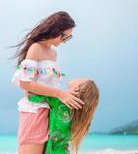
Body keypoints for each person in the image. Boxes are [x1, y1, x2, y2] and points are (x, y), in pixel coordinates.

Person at [9, 11, 84, 154]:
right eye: (64, 36)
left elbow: (50, 85)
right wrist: (59, 94)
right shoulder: (36, 48)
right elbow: (25, 84)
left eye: (68, 38)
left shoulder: (53, 52)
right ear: (54, 29)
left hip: (50, 110)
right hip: (35, 109)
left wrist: (65, 94)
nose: (64, 40)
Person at [29, 78, 100, 154]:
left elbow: (31, 96)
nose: (77, 77)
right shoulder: (76, 117)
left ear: (78, 88)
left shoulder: (60, 103)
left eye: (80, 79)